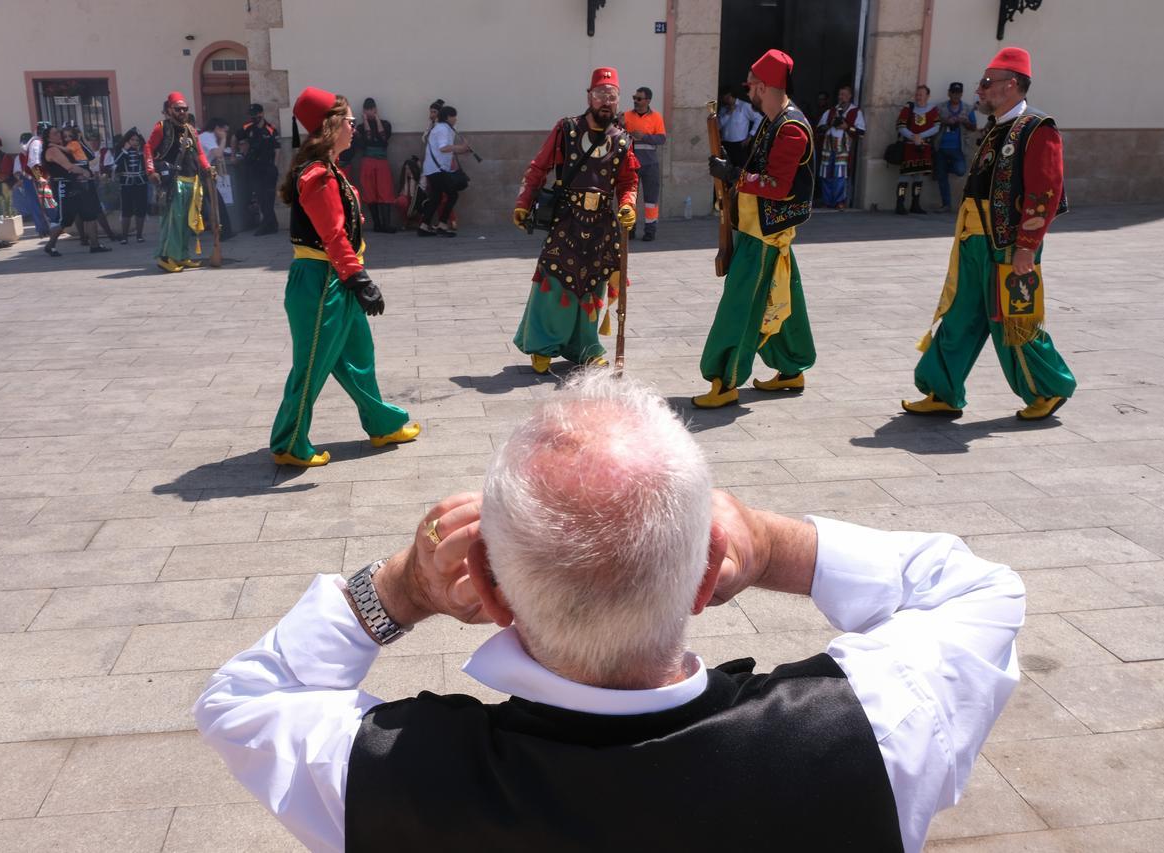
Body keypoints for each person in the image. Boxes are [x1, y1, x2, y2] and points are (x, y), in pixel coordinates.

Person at [196, 370, 1025, 853]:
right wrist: (772, 545)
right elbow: (979, 590)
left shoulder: (388, 778)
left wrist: (404, 586)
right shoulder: (869, 731)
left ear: (484, 588)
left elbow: (244, 698)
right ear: (706, 574)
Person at [904, 47, 1076, 422]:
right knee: (960, 314)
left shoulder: (1037, 128)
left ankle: (1048, 388)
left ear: (1011, 85)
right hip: (974, 240)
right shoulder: (998, 126)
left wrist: (1026, 249)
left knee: (1012, 319)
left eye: (986, 83)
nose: (978, 91)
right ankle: (943, 390)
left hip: (1008, 245)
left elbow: (1043, 195)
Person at [268, 86, 420, 468]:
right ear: (331, 126)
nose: (354, 127)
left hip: (335, 278)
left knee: (358, 358)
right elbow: (332, 235)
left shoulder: (331, 170)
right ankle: (288, 442)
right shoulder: (318, 175)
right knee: (313, 364)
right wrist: (360, 280)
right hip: (321, 281)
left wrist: (354, 278)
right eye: (349, 121)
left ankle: (382, 424)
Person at [696, 49, 815, 408]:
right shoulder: (772, 118)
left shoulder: (791, 127)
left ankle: (725, 378)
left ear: (764, 86)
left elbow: (777, 185)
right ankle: (792, 367)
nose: (748, 89)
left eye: (752, 84)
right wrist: (732, 168)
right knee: (781, 297)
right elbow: (760, 168)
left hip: (765, 233)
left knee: (740, 306)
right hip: (757, 226)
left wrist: (734, 175)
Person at [510, 66, 639, 373]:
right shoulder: (566, 129)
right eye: (600, 95)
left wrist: (628, 205)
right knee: (553, 280)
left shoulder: (622, 141)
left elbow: (628, 181)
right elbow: (538, 167)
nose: (605, 102)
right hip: (567, 219)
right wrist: (523, 202)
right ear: (589, 97)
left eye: (612, 96)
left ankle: (586, 347)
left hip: (602, 225)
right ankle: (541, 345)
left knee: (593, 285)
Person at [144, 92, 211, 272]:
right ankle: (165, 257)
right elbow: (148, 147)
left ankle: (181, 256)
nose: (182, 112)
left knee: (186, 223)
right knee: (173, 221)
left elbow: (200, 153)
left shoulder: (191, 129)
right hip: (174, 181)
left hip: (192, 181)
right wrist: (150, 171)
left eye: (185, 109)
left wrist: (207, 168)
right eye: (178, 109)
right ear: (168, 110)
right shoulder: (161, 127)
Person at [39, 125, 110, 256]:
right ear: (48, 137)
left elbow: (87, 156)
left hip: (77, 185)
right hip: (64, 187)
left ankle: (94, 245)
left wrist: (80, 139)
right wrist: (85, 172)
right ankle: (50, 245)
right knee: (65, 219)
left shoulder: (67, 146)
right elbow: (69, 167)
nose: (59, 135)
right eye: (55, 134)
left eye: (58, 133)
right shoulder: (52, 150)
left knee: (90, 214)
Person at [622, 85, 666, 241]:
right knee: (630, 199)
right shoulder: (626, 116)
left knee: (651, 201)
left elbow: (662, 139)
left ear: (647, 100)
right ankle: (630, 229)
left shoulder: (656, 117)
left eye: (639, 98)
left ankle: (650, 231)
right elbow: (616, 135)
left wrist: (644, 136)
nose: (635, 101)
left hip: (650, 165)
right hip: (631, 164)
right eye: (634, 98)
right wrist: (624, 130)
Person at [418, 105, 470, 237]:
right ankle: (442, 225)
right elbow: (444, 148)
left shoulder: (443, 128)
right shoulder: (442, 129)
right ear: (448, 117)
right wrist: (461, 147)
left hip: (433, 169)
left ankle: (424, 226)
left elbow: (445, 149)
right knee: (452, 195)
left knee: (436, 198)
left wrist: (462, 151)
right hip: (437, 170)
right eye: (454, 116)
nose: (456, 119)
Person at [348, 97, 397, 233]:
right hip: (367, 160)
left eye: (372, 109)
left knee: (385, 190)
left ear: (376, 109)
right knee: (369, 191)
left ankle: (386, 224)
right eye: (367, 110)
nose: (370, 112)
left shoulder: (385, 124)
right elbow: (367, 140)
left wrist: (376, 119)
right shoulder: (360, 128)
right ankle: (377, 224)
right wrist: (365, 121)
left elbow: (383, 138)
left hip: (382, 161)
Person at [816, 84, 866, 210]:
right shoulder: (831, 111)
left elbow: (861, 132)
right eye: (840, 95)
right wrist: (830, 124)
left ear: (849, 96)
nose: (841, 97)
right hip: (828, 147)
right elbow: (819, 128)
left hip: (843, 148)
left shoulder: (855, 112)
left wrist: (847, 127)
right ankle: (827, 201)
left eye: (844, 95)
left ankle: (839, 201)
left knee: (840, 175)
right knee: (825, 174)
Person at [896, 85, 940, 214]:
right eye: (917, 94)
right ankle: (900, 204)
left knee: (919, 176)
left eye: (921, 94)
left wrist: (920, 137)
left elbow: (936, 127)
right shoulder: (908, 108)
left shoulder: (933, 110)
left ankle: (915, 204)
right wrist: (912, 136)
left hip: (923, 147)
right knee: (904, 176)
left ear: (927, 96)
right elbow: (900, 126)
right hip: (909, 146)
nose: (919, 97)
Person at [933, 82, 978, 213]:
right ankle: (946, 204)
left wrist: (964, 121)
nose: (955, 96)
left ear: (961, 94)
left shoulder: (968, 109)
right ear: (949, 93)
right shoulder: (940, 108)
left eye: (958, 93)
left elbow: (974, 127)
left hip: (958, 147)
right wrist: (944, 121)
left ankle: (948, 168)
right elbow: (933, 122)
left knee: (961, 170)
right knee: (942, 178)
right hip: (941, 146)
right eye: (953, 93)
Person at [241, 103, 281, 235]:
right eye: (251, 115)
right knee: (260, 197)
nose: (254, 117)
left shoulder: (270, 129)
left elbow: (277, 149)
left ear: (262, 113)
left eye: (256, 114)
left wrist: (274, 166)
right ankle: (272, 225)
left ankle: (267, 225)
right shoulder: (247, 127)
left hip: (268, 168)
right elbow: (236, 138)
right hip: (254, 167)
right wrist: (239, 153)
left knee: (268, 198)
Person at [198, 118, 235, 240]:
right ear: (217, 128)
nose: (225, 133)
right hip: (201, 174)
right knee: (216, 202)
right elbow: (218, 153)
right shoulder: (207, 137)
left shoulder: (209, 137)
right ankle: (223, 231)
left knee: (216, 202)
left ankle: (225, 231)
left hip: (204, 172)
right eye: (224, 131)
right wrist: (224, 139)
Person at [113, 128, 148, 244]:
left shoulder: (142, 150)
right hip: (126, 183)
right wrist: (125, 150)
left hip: (140, 182)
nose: (134, 142)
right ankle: (124, 236)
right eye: (132, 140)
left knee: (140, 209)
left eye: (137, 140)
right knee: (126, 210)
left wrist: (141, 152)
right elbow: (116, 163)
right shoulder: (121, 150)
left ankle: (139, 235)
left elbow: (148, 162)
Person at [717, 86, 760, 167]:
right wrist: (728, 113)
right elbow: (718, 126)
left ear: (730, 95)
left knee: (740, 170)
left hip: (740, 145)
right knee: (726, 170)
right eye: (722, 97)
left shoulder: (744, 106)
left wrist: (750, 136)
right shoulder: (723, 109)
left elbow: (759, 118)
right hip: (725, 145)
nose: (723, 99)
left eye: (724, 97)